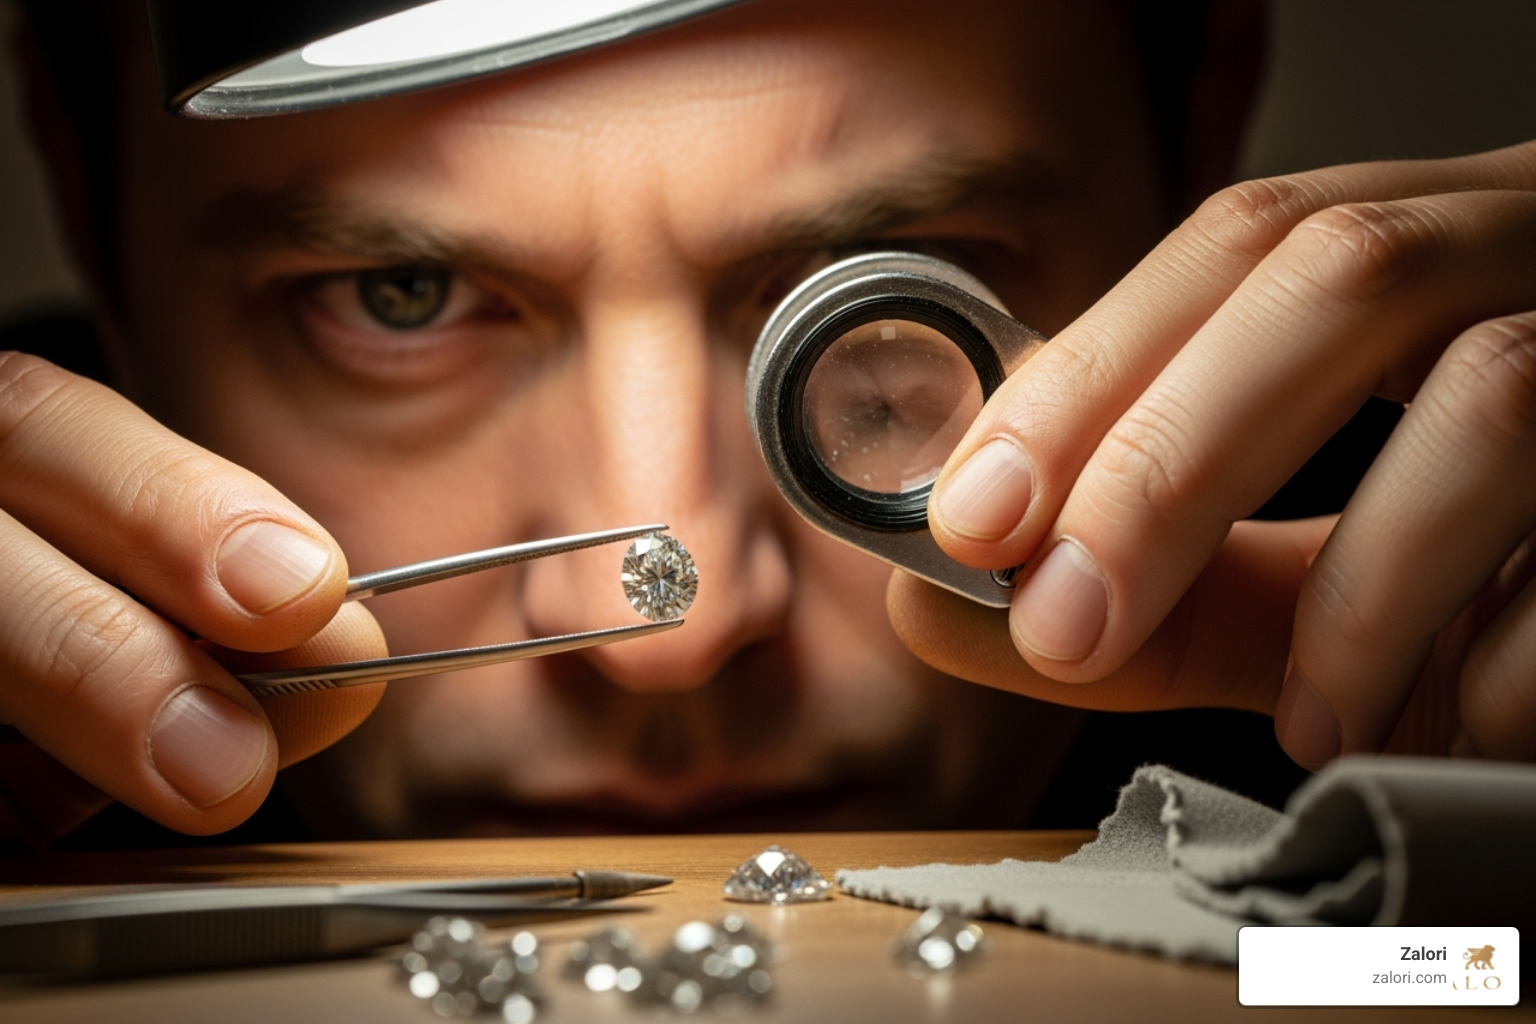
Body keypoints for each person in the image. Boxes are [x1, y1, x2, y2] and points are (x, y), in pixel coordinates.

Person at [0, 0, 1530, 851]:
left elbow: (1419, 977)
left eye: (878, 304)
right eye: (401, 297)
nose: (666, 641)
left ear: (1197, 152)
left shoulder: (1451, 616)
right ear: (89, 215)